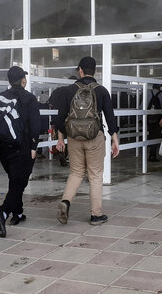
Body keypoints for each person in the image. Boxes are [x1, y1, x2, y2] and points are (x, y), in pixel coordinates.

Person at [55, 57, 120, 226]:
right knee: (95, 175)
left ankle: (66, 201)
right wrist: (115, 140)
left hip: (74, 137)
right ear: (95, 71)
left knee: (76, 172)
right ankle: (96, 215)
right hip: (94, 136)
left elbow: (60, 117)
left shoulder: (68, 90)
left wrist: (60, 139)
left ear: (80, 70)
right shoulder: (102, 91)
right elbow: (110, 118)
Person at [0, 66, 41, 238]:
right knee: (19, 183)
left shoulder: (0, 97)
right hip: (23, 147)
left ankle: (17, 214)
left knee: (15, 181)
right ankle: (2, 213)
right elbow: (35, 125)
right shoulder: (29, 98)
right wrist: (34, 146)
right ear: (23, 80)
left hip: (3, 148)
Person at [147, 84, 162, 162]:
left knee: (151, 135)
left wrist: (140, 119)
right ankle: (152, 155)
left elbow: (142, 106)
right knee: (156, 136)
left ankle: (151, 154)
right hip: (158, 120)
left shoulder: (148, 93)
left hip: (149, 119)